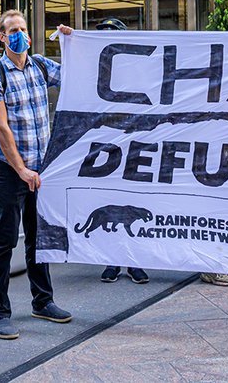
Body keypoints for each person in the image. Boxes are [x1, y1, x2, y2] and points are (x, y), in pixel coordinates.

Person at [0, 10, 73, 340]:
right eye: (12, 30)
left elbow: (79, 72)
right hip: (9, 173)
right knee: (4, 242)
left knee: (38, 239)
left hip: (39, 173)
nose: (20, 34)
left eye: (23, 29)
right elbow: (1, 128)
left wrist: (69, 40)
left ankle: (42, 301)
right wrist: (21, 169)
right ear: (2, 37)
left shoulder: (40, 66)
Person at [93, 17, 149, 285]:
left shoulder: (137, 70)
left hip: (135, 146)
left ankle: (134, 260)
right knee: (113, 207)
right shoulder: (90, 68)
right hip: (105, 148)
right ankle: (113, 260)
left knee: (133, 204)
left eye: (111, 34)